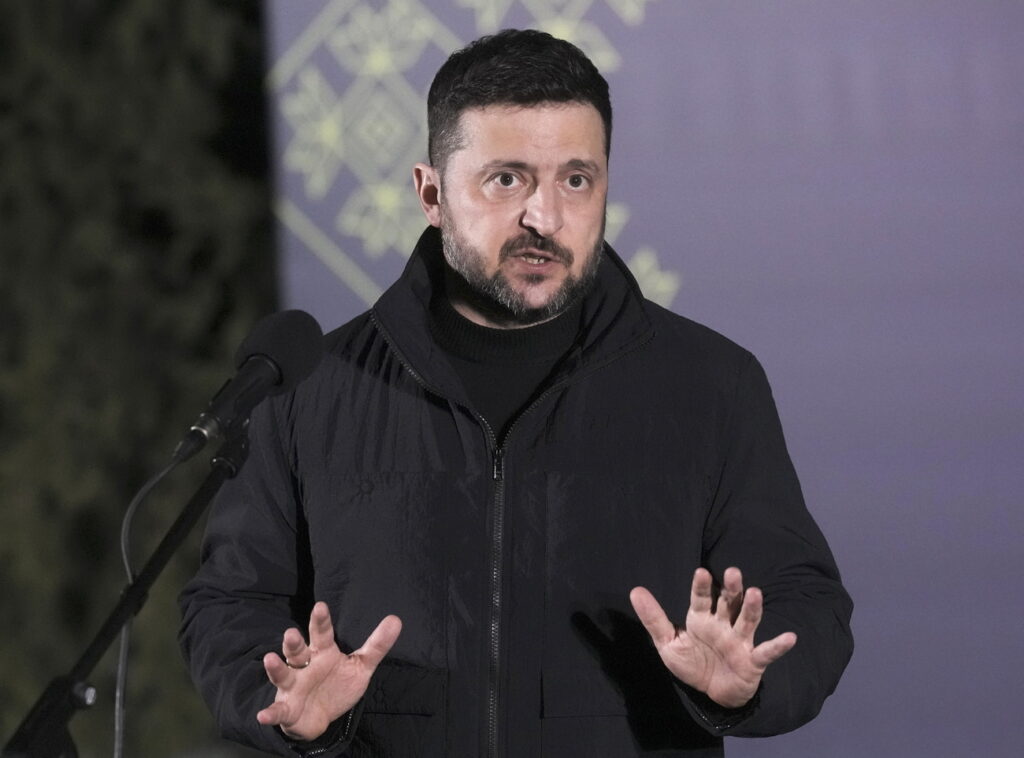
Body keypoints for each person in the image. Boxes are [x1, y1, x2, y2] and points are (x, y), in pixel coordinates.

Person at [179, 29, 853, 758]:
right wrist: (279, 699)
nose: (545, 218)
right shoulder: (309, 390)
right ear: (431, 194)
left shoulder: (712, 385)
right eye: (507, 180)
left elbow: (805, 602)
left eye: (576, 180)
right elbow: (230, 603)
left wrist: (750, 682)